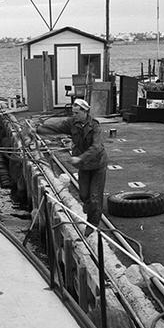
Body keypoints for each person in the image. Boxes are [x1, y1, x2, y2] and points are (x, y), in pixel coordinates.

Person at [28, 98, 107, 236]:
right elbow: (56, 128)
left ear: (85, 111)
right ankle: (91, 209)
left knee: (95, 197)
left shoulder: (95, 126)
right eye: (73, 112)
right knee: (83, 195)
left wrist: (80, 158)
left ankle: (92, 225)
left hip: (97, 164)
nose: (74, 115)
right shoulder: (72, 123)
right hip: (84, 166)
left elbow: (97, 147)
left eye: (77, 113)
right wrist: (37, 129)